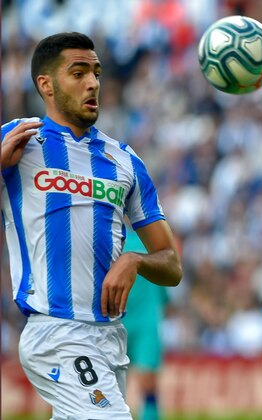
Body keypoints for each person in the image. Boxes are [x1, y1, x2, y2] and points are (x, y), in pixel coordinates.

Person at [1, 32, 182, 419]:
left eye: (96, 73)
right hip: (56, 332)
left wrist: (135, 261)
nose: (92, 83)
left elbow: (172, 264)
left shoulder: (126, 162)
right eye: (78, 72)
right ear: (45, 85)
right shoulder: (18, 140)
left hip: (110, 339)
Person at [122, 229, 170, 420]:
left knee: (146, 380)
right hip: (122, 321)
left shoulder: (153, 245)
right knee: (128, 383)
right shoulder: (155, 246)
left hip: (143, 322)